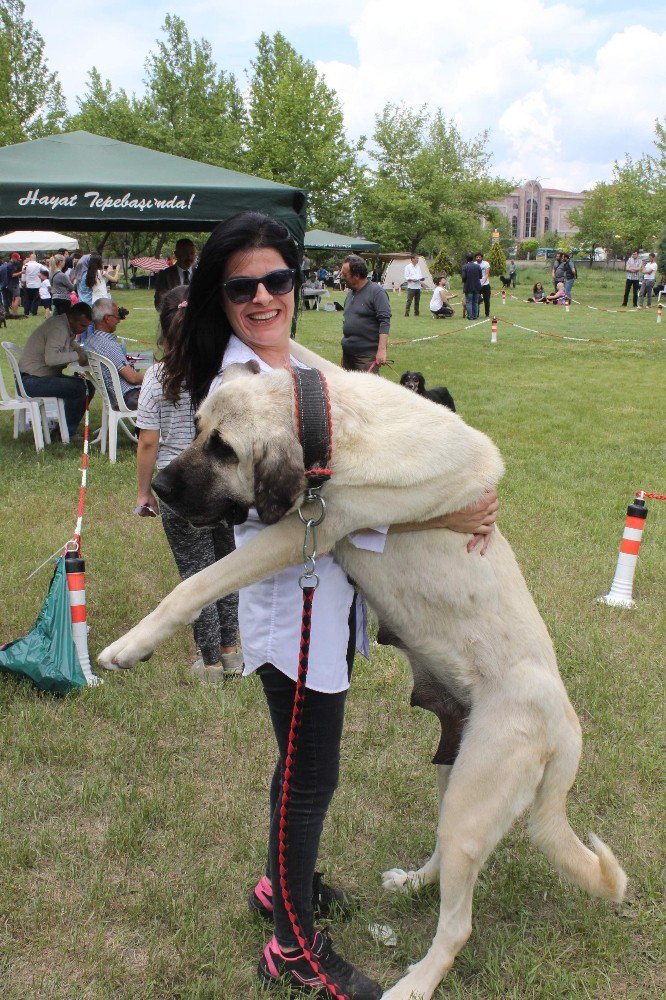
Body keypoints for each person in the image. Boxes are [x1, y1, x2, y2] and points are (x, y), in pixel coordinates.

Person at [163, 211, 499, 999]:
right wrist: (440, 514)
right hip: (296, 602)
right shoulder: (242, 388)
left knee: (301, 767)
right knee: (312, 774)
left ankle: (281, 887)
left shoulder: (295, 364)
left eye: (276, 280)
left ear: (296, 281)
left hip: (327, 597)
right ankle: (292, 948)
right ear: (223, 295)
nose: (262, 297)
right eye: (242, 286)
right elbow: (311, 508)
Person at [135, 285, 242, 681]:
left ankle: (210, 661)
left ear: (163, 331)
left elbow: (149, 441)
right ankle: (232, 651)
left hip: (180, 490)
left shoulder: (157, 377)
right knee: (227, 568)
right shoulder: (221, 373)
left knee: (195, 575)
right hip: (221, 485)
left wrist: (144, 492)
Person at [18, 302, 94, 439]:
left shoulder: (64, 325)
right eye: (83, 325)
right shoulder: (59, 328)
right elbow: (52, 359)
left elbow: (74, 346)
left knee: (87, 385)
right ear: (71, 319)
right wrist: (78, 356)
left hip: (35, 377)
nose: (84, 329)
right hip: (31, 381)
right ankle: (65, 433)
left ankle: (64, 429)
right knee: (80, 388)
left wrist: (81, 352)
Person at [85, 299, 144, 409]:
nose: (119, 320)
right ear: (107, 318)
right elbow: (132, 378)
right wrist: (154, 378)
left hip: (115, 398)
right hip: (128, 397)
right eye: (117, 316)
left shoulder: (90, 341)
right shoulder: (109, 346)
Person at [339, 254, 391, 372]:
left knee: (367, 390)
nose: (342, 277)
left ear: (356, 276)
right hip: (349, 353)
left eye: (345, 274)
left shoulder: (377, 293)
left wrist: (381, 350)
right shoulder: (350, 293)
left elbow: (385, 321)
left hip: (366, 357)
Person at [153, 238, 197, 310]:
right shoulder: (165, 275)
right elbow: (158, 303)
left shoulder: (200, 275)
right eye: (185, 253)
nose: (189, 257)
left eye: (192, 253)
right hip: (172, 319)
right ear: (176, 254)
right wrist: (177, 307)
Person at [461, 253, 482, 320]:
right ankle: (475, 316)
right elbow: (480, 276)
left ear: (466, 259)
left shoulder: (465, 266)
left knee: (469, 302)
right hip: (477, 287)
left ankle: (470, 316)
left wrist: (465, 281)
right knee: (475, 302)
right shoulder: (478, 266)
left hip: (468, 286)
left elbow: (463, 277)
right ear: (473, 258)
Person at [475, 252, 491, 317]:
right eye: (477, 257)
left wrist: (483, 282)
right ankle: (477, 314)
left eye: (479, 257)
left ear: (482, 258)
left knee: (486, 300)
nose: (478, 258)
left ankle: (487, 314)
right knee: (477, 300)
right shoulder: (474, 264)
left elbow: (487, 274)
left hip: (486, 285)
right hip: (477, 285)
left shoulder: (486, 263)